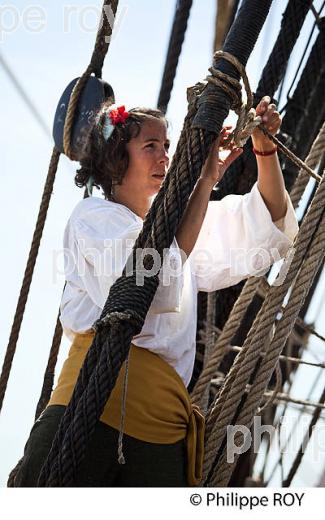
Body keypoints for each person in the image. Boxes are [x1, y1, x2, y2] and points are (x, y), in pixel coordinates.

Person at [14, 96, 298, 487]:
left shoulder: (185, 226)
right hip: (88, 412)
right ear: (116, 159)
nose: (164, 157)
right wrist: (204, 183)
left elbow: (268, 220)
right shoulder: (93, 219)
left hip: (161, 436)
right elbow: (143, 286)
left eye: (167, 146)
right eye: (150, 146)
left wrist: (264, 148)